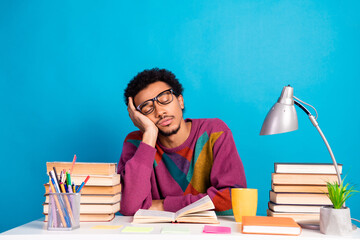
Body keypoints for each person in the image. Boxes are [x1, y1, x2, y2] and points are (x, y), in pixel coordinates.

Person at [118, 68, 246, 216]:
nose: (159, 112)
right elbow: (129, 207)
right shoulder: (137, 142)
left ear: (180, 101)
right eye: (147, 108)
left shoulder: (213, 132)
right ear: (139, 118)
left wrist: (164, 205)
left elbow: (234, 198)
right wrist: (149, 135)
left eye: (165, 99)